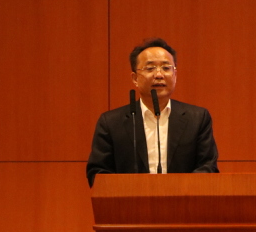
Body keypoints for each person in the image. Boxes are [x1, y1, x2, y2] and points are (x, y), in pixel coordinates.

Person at [86, 37, 219, 185]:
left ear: (175, 75)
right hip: (130, 199)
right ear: (135, 78)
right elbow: (98, 172)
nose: (159, 75)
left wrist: (177, 190)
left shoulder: (197, 118)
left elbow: (208, 167)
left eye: (166, 68)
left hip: (184, 198)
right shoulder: (111, 122)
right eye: (150, 69)